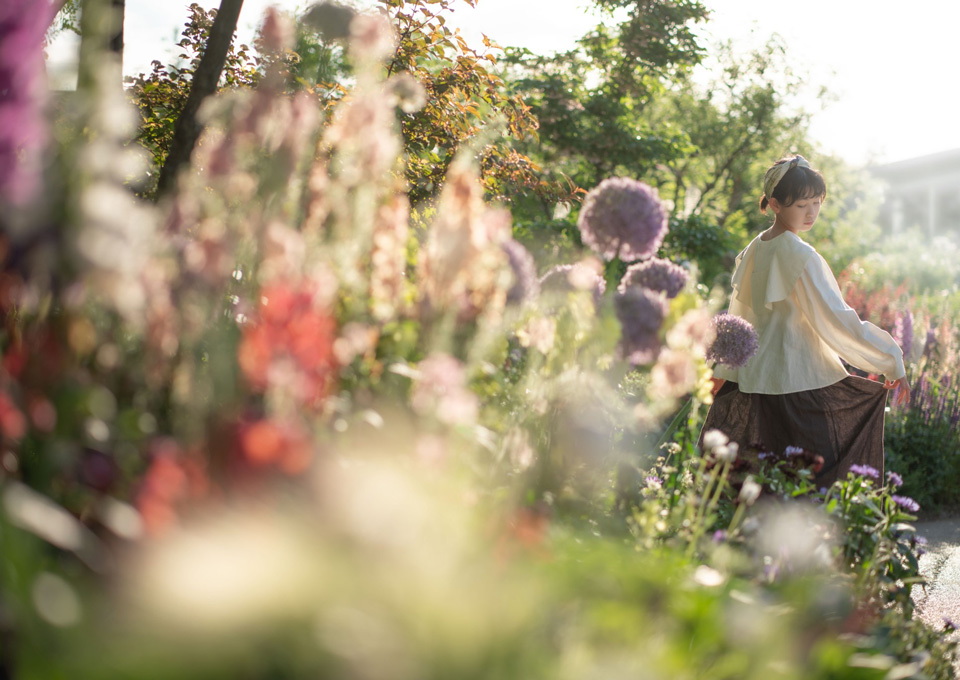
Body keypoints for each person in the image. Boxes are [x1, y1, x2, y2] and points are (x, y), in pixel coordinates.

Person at [701, 155, 910, 485]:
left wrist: (723, 376)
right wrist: (890, 359)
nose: (811, 213)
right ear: (774, 204)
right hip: (799, 387)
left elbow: (738, 322)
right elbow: (838, 321)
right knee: (809, 484)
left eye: (816, 202)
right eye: (801, 204)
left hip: (755, 387)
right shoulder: (800, 256)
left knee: (756, 484)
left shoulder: (753, 249)